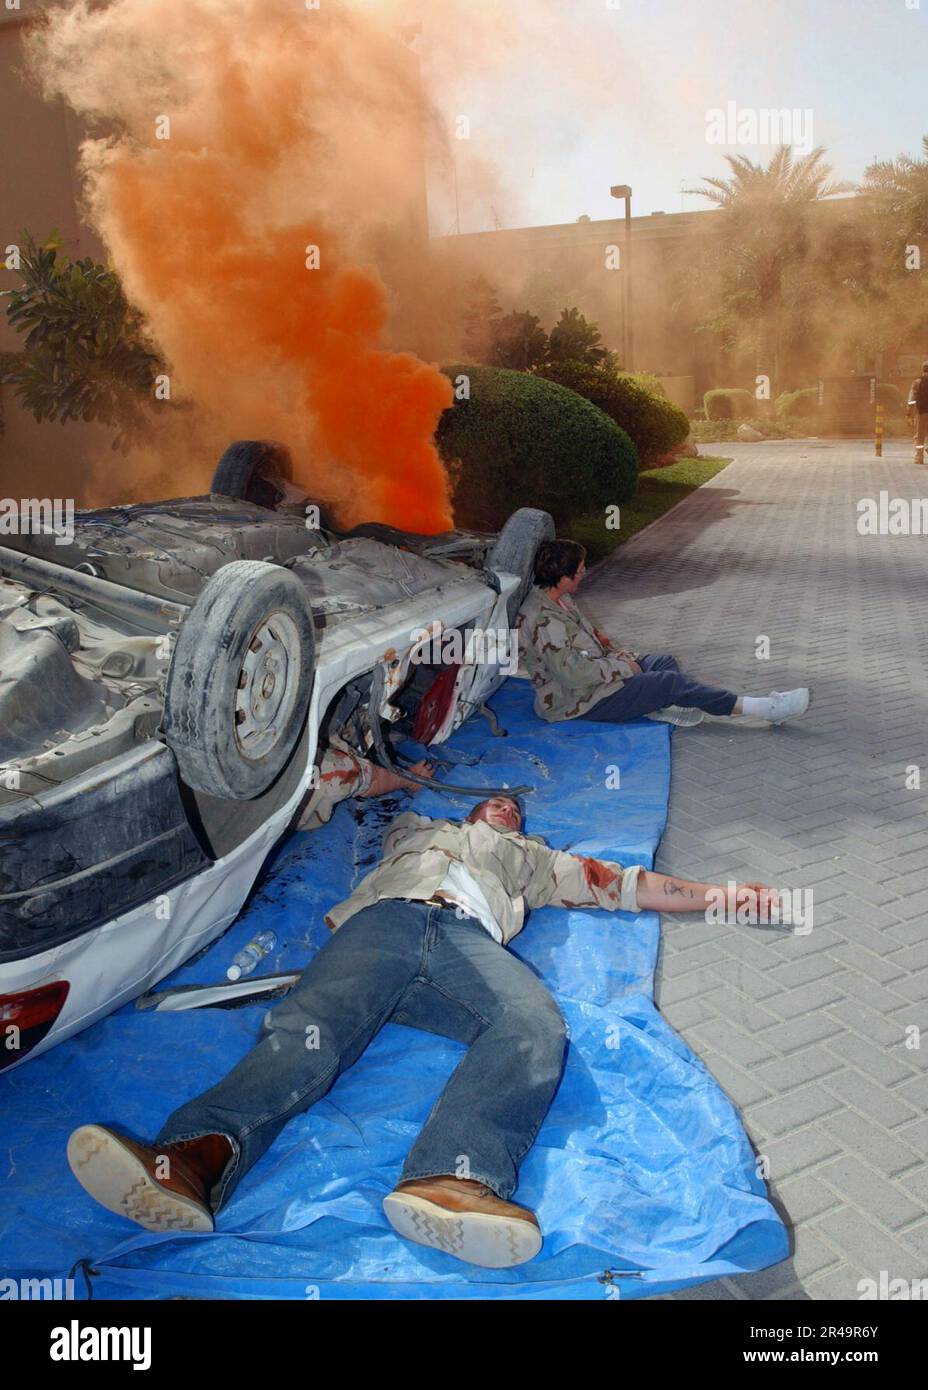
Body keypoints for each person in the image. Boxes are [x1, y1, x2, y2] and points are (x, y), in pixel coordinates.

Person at [66, 793, 779, 1270]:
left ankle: (450, 1180)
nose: (505, 801)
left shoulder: (530, 859)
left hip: (467, 947)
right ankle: (195, 1157)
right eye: (495, 796)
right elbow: (336, 783)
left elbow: (622, 884)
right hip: (383, 926)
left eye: (515, 804)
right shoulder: (409, 826)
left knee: (532, 1024)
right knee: (310, 1029)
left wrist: (722, 897)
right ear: (470, 805)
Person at [516, 539, 810, 729]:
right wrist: (621, 667)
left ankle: (656, 704)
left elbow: (586, 641)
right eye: (580, 571)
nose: (584, 574)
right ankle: (761, 708)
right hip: (577, 700)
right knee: (668, 682)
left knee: (664, 662)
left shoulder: (558, 597)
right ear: (563, 577)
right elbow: (572, 674)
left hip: (595, 679)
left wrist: (613, 653)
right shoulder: (544, 620)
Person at [906, 361, 928, 465]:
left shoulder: (917, 382)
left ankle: (919, 457)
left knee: (920, 435)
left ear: (922, 369)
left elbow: (911, 400)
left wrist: (909, 414)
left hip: (921, 413)